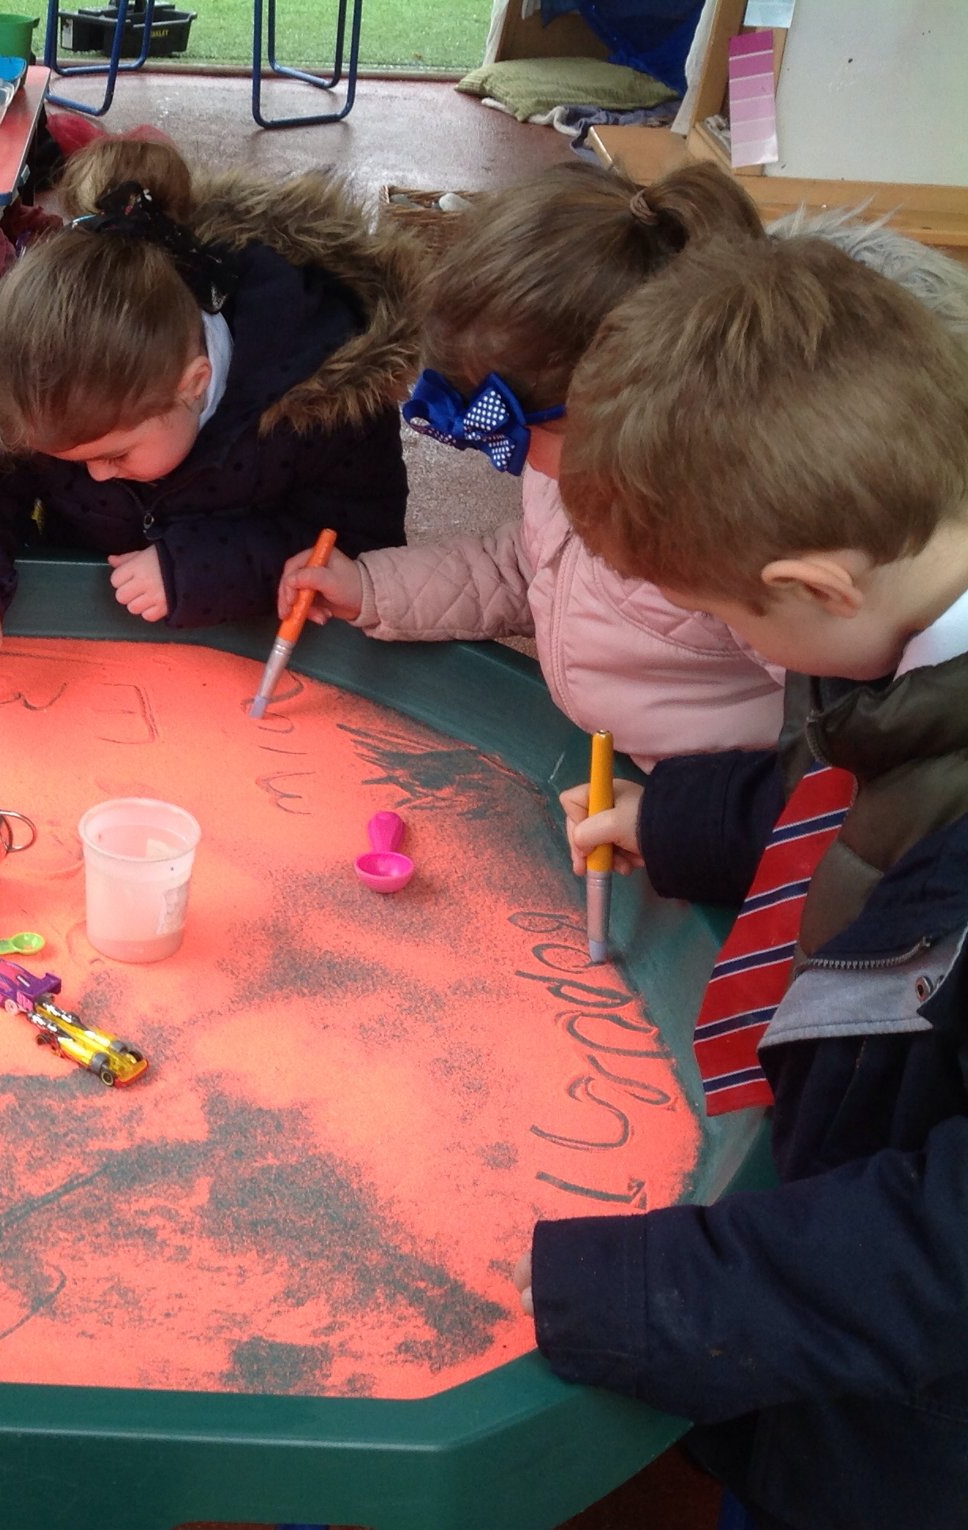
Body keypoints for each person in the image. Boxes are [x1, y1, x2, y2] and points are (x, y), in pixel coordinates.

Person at [518, 237, 968, 1530]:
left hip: (902, 1431)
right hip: (813, 1270)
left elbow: (944, 1246)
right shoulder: (904, 597)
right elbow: (873, 779)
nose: (734, 644)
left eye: (726, 619)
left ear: (814, 584)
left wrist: (643, 1292)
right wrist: (684, 816)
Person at [278, 162, 781, 768]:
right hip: (608, 763)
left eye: (524, 433)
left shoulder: (744, 541)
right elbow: (524, 567)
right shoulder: (566, 474)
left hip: (707, 805)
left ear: (630, 410)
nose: (508, 457)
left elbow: (840, 737)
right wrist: (369, 586)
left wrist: (694, 817)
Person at [0, 136, 415, 669]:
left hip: (248, 661)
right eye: (69, 460)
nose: (98, 477)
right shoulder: (44, 380)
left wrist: (206, 568)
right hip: (94, 652)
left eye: (117, 454)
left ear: (193, 384)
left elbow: (359, 547)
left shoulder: (321, 392)